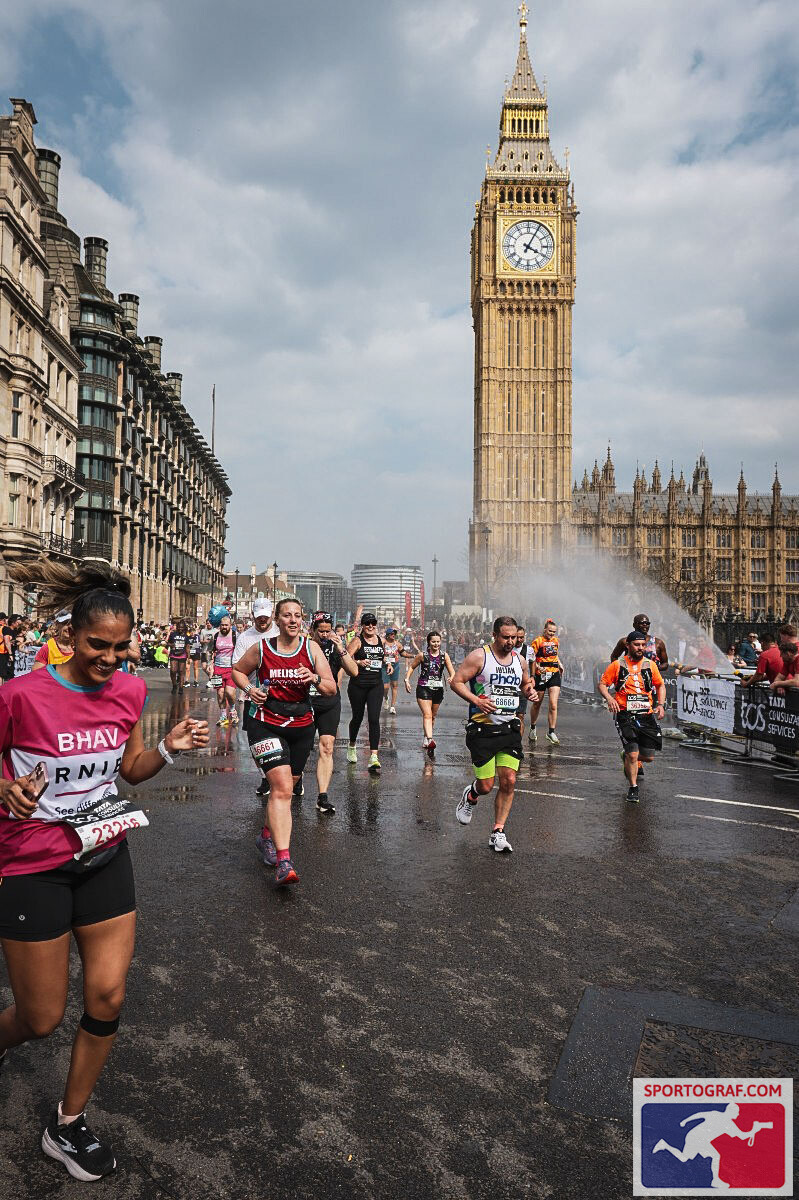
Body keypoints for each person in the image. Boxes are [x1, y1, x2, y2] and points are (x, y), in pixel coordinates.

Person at [0, 560, 208, 1181]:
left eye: (121, 647)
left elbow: (128, 770)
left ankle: (66, 1124)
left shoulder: (130, 691)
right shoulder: (19, 695)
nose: (110, 658)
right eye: (98, 645)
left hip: (104, 855)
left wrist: (169, 749)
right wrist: (5, 789)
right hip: (31, 865)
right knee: (40, 1019)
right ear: (69, 636)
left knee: (109, 996)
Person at [231, 598, 335, 884]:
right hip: (265, 724)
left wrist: (313, 677)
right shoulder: (262, 649)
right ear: (276, 619)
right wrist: (251, 689)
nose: (292, 620)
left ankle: (265, 835)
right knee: (282, 788)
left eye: (297, 616)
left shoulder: (311, 649)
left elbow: (331, 687)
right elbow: (237, 671)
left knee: (288, 787)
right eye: (286, 615)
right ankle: (284, 861)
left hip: (301, 726)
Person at [450, 616, 536, 853]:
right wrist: (477, 699)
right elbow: (456, 682)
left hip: (509, 727)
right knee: (487, 786)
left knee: (509, 780)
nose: (511, 642)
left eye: (514, 638)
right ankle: (471, 794)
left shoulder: (520, 660)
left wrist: (530, 692)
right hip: (482, 729)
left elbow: (526, 684)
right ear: (495, 635)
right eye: (506, 637)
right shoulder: (480, 656)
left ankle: (498, 832)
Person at [598, 630, 666, 804]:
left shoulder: (650, 665)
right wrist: (610, 698)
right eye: (637, 645)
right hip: (625, 714)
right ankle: (633, 788)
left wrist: (660, 705)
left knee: (649, 757)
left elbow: (660, 685)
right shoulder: (617, 665)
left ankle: (626, 755)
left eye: (643, 645)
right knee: (634, 755)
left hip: (646, 715)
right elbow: (603, 684)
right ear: (628, 645)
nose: (640, 648)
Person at [308, 612, 357, 813]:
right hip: (305, 702)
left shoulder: (336, 647)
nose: (325, 635)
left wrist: (341, 649)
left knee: (327, 747)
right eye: (321, 631)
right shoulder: (303, 646)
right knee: (301, 750)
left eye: (328, 631)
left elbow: (354, 671)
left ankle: (322, 796)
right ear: (312, 630)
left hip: (329, 702)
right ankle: (295, 782)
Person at [231, 599, 278, 796]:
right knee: (255, 741)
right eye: (259, 617)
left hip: (279, 696)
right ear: (252, 615)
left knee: (280, 737)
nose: (262, 620)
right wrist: (250, 689)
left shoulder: (280, 633)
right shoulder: (244, 638)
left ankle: (289, 776)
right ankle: (265, 777)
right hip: (254, 695)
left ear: (272, 614)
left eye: (266, 617)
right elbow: (236, 669)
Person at [345, 613, 384, 773]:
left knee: (374, 719)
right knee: (358, 717)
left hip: (376, 685)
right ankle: (352, 745)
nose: (370, 626)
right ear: (362, 625)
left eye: (373, 623)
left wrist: (387, 664)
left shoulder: (379, 639)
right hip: (358, 685)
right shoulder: (357, 640)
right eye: (367, 623)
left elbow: (382, 657)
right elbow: (344, 658)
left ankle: (374, 756)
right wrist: (358, 662)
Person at [405, 631, 454, 755]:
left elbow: (452, 671)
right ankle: (430, 739)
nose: (436, 644)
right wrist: (407, 679)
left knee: (432, 716)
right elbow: (412, 667)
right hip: (423, 687)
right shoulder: (422, 655)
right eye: (433, 641)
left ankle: (426, 737)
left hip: (438, 689)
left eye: (438, 641)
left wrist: (451, 677)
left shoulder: (444, 656)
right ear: (429, 642)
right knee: (427, 714)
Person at [527, 618, 563, 745]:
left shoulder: (555, 641)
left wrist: (560, 664)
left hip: (554, 674)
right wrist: (537, 667)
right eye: (550, 631)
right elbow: (531, 659)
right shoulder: (537, 641)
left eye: (554, 632)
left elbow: (555, 655)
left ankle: (551, 732)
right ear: (544, 629)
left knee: (553, 704)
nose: (552, 634)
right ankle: (532, 727)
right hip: (541, 675)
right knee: (537, 703)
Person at [210, 614, 238, 726]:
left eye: (226, 625)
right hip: (218, 668)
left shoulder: (235, 635)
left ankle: (232, 711)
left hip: (231, 669)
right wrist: (210, 664)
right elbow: (213, 651)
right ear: (219, 626)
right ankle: (223, 716)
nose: (224, 627)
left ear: (230, 625)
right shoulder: (216, 635)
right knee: (220, 694)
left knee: (229, 693)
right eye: (222, 625)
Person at [382, 628, 402, 714]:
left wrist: (413, 656)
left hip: (395, 665)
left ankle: (393, 706)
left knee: (394, 685)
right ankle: (386, 697)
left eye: (394, 634)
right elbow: (380, 655)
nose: (393, 635)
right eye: (391, 634)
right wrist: (387, 662)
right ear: (387, 635)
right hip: (384, 666)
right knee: (385, 687)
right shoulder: (383, 643)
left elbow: (403, 653)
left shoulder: (397, 644)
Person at [166, 619, 189, 694]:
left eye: (182, 627)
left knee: (181, 671)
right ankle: (174, 685)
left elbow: (187, 647)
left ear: (184, 628)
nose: (180, 628)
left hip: (182, 655)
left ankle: (181, 687)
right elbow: (168, 643)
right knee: (173, 671)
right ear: (177, 627)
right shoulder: (173, 634)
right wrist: (171, 645)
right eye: (179, 627)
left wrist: (189, 657)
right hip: (173, 654)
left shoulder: (186, 636)